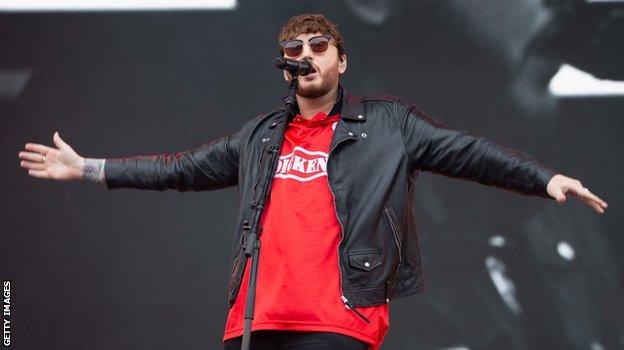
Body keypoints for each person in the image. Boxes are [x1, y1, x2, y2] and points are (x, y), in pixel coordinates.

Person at [18, 13, 607, 350]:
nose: (305, 56)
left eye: (318, 47)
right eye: (294, 49)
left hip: (337, 324)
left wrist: (545, 177)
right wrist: (88, 168)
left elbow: (469, 153)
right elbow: (178, 169)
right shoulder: (259, 137)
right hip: (256, 324)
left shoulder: (387, 124)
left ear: (341, 60)